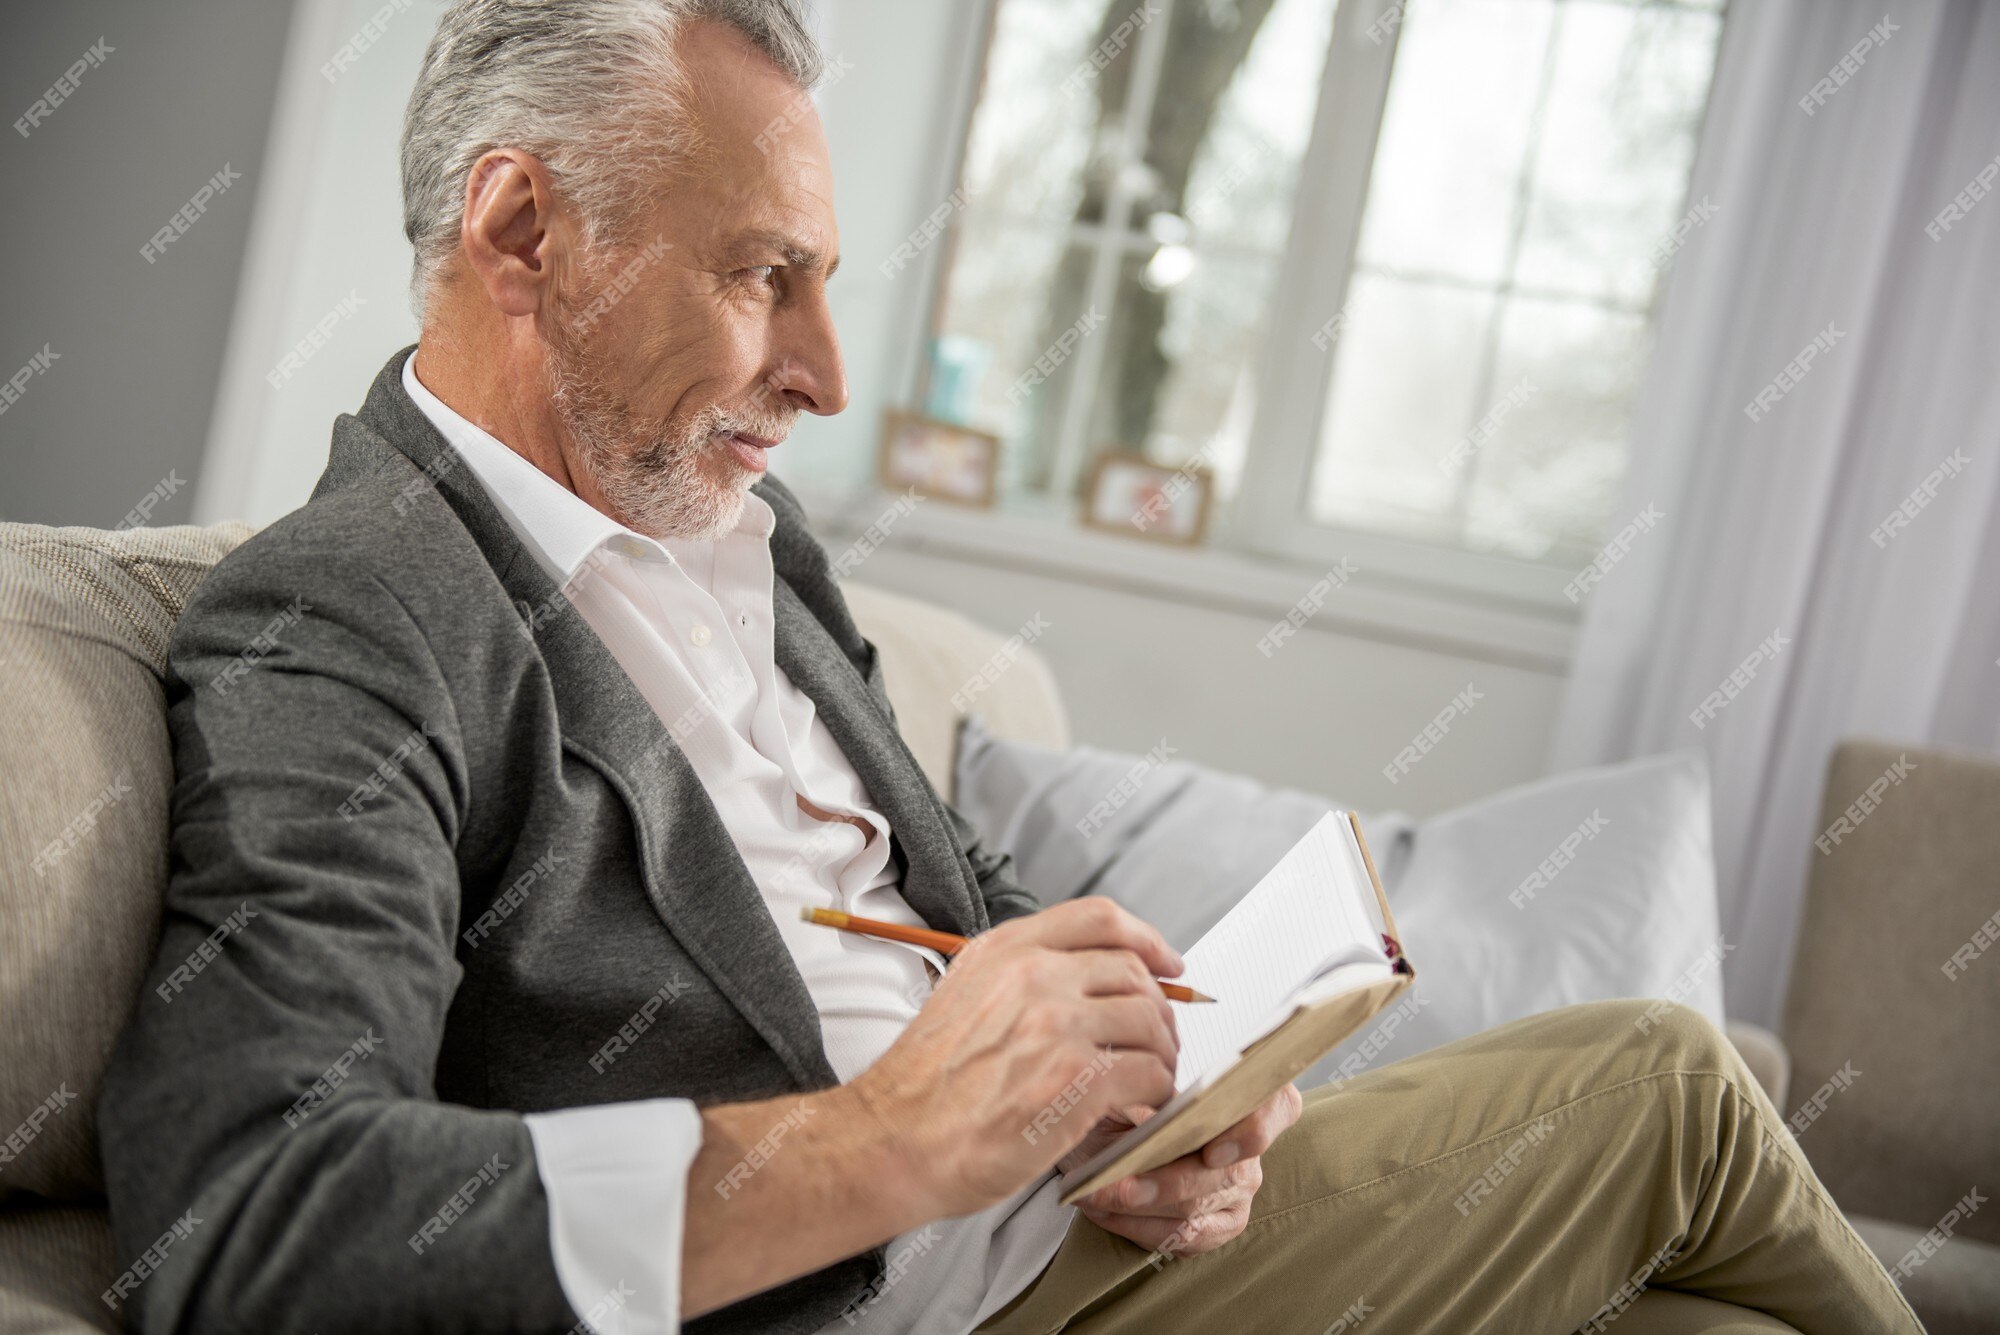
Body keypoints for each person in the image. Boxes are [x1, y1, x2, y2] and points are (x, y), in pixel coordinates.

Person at [97, 3, 1923, 1331]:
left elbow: (947, 896)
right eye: (764, 277)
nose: (823, 374)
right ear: (521, 231)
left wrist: (1144, 1089)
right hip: (912, 1303)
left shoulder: (747, 541)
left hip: (1068, 1235)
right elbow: (253, 1221)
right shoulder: (351, 615)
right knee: (1668, 1083)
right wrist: (890, 1145)